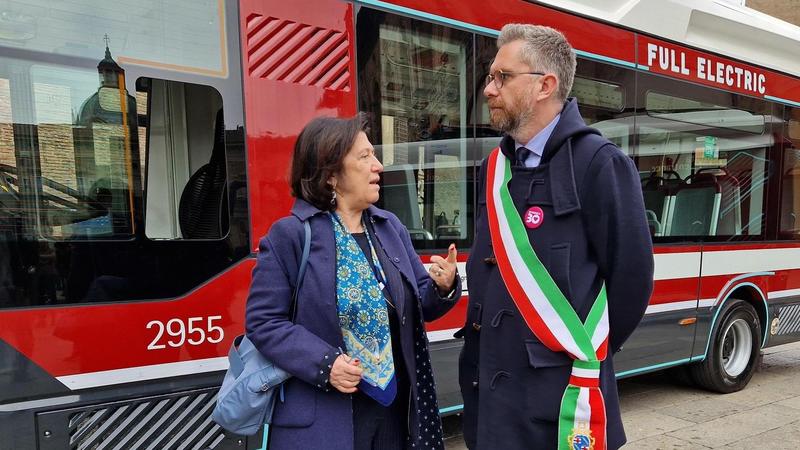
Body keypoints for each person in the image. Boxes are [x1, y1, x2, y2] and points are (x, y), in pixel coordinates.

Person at [459, 24, 654, 450]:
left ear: (545, 85)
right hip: (489, 403)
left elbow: (631, 282)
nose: (489, 89)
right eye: (490, 77)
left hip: (558, 408)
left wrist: (577, 353)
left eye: (502, 77)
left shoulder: (600, 164)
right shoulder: (494, 169)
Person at [246, 115, 462, 450]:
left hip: (394, 413)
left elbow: (420, 304)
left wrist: (443, 286)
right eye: (365, 157)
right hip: (324, 419)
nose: (378, 166)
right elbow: (263, 323)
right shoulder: (290, 236)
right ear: (330, 174)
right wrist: (325, 363)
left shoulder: (389, 227)